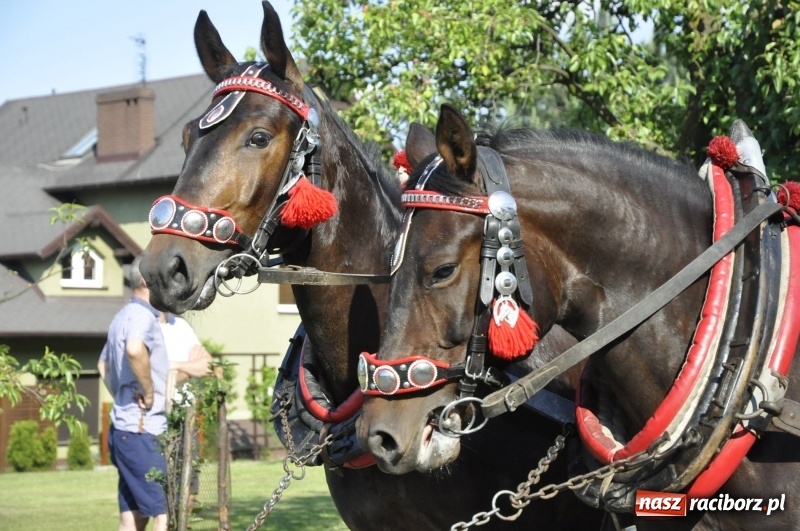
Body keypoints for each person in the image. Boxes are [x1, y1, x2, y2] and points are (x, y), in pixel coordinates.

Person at [98, 256, 169, 531]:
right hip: (142, 432)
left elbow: (102, 365)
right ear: (145, 280)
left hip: (124, 430)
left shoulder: (122, 316)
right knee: (164, 513)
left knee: (133, 517)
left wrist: (121, 394)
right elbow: (134, 349)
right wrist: (148, 393)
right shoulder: (142, 316)